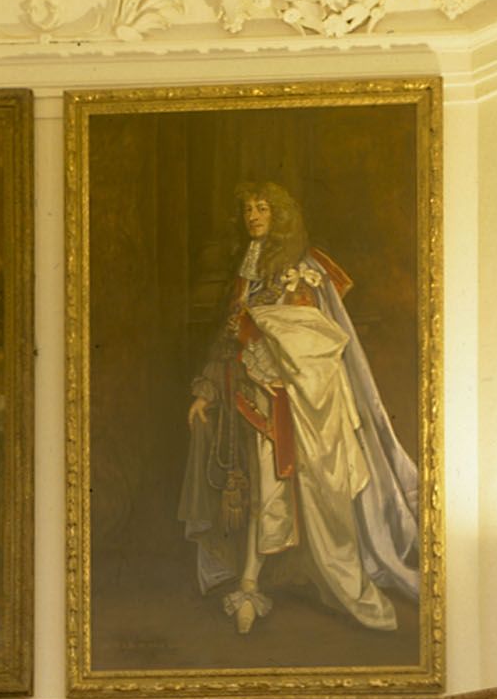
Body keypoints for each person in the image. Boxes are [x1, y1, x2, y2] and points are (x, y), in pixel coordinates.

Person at [179, 180, 421, 635]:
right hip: (243, 396)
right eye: (248, 208)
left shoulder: (303, 270)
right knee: (251, 487)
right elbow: (227, 337)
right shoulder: (245, 271)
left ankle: (260, 582)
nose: (254, 215)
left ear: (279, 215)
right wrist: (205, 390)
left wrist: (257, 326)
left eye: (263, 208)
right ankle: (249, 584)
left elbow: (315, 340)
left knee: (282, 490)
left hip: (297, 403)